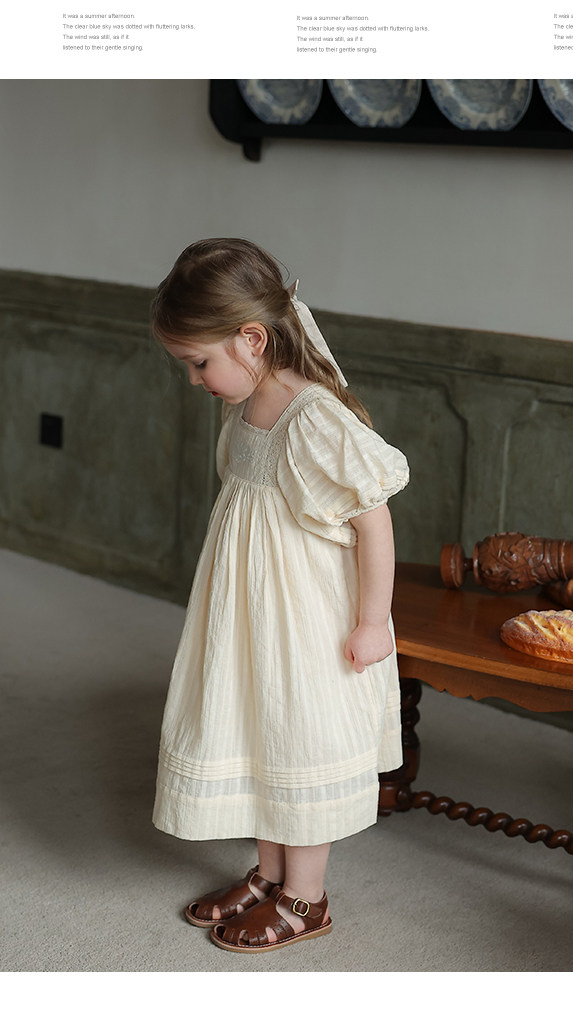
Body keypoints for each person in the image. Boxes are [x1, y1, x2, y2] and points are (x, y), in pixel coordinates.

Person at [150, 238, 409, 954]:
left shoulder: (312, 417)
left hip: (304, 622)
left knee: (297, 737)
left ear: (252, 339)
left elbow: (374, 520)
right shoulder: (245, 408)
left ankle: (307, 896)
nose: (195, 379)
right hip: (250, 616)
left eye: (199, 363)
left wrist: (373, 621)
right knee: (262, 731)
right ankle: (268, 875)